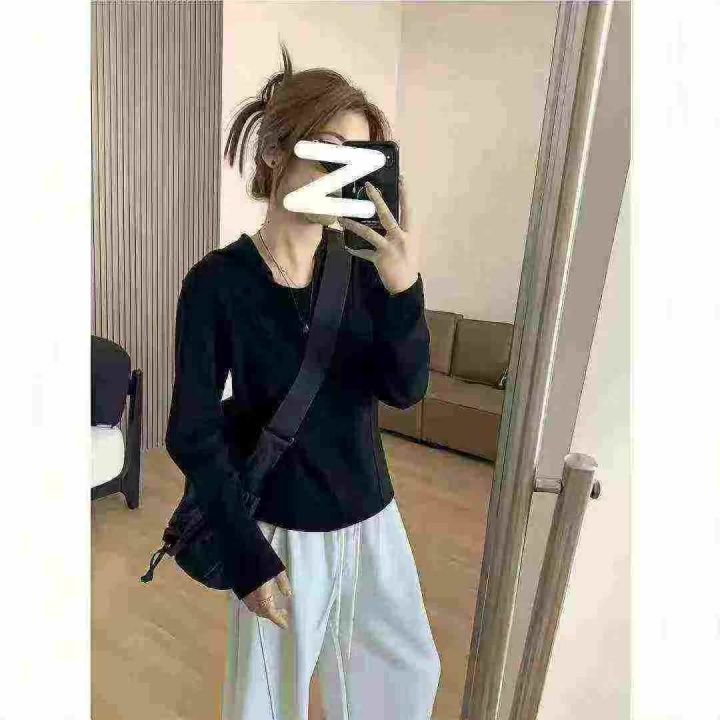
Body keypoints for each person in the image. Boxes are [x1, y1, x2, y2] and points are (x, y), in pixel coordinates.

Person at [165, 44, 441, 720]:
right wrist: (247, 556)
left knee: (404, 679)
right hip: (281, 532)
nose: (346, 173)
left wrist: (404, 290)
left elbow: (405, 390)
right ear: (273, 153)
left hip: (374, 521)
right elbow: (192, 433)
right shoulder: (217, 284)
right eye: (330, 152)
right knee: (267, 705)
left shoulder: (367, 269)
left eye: (362, 159)